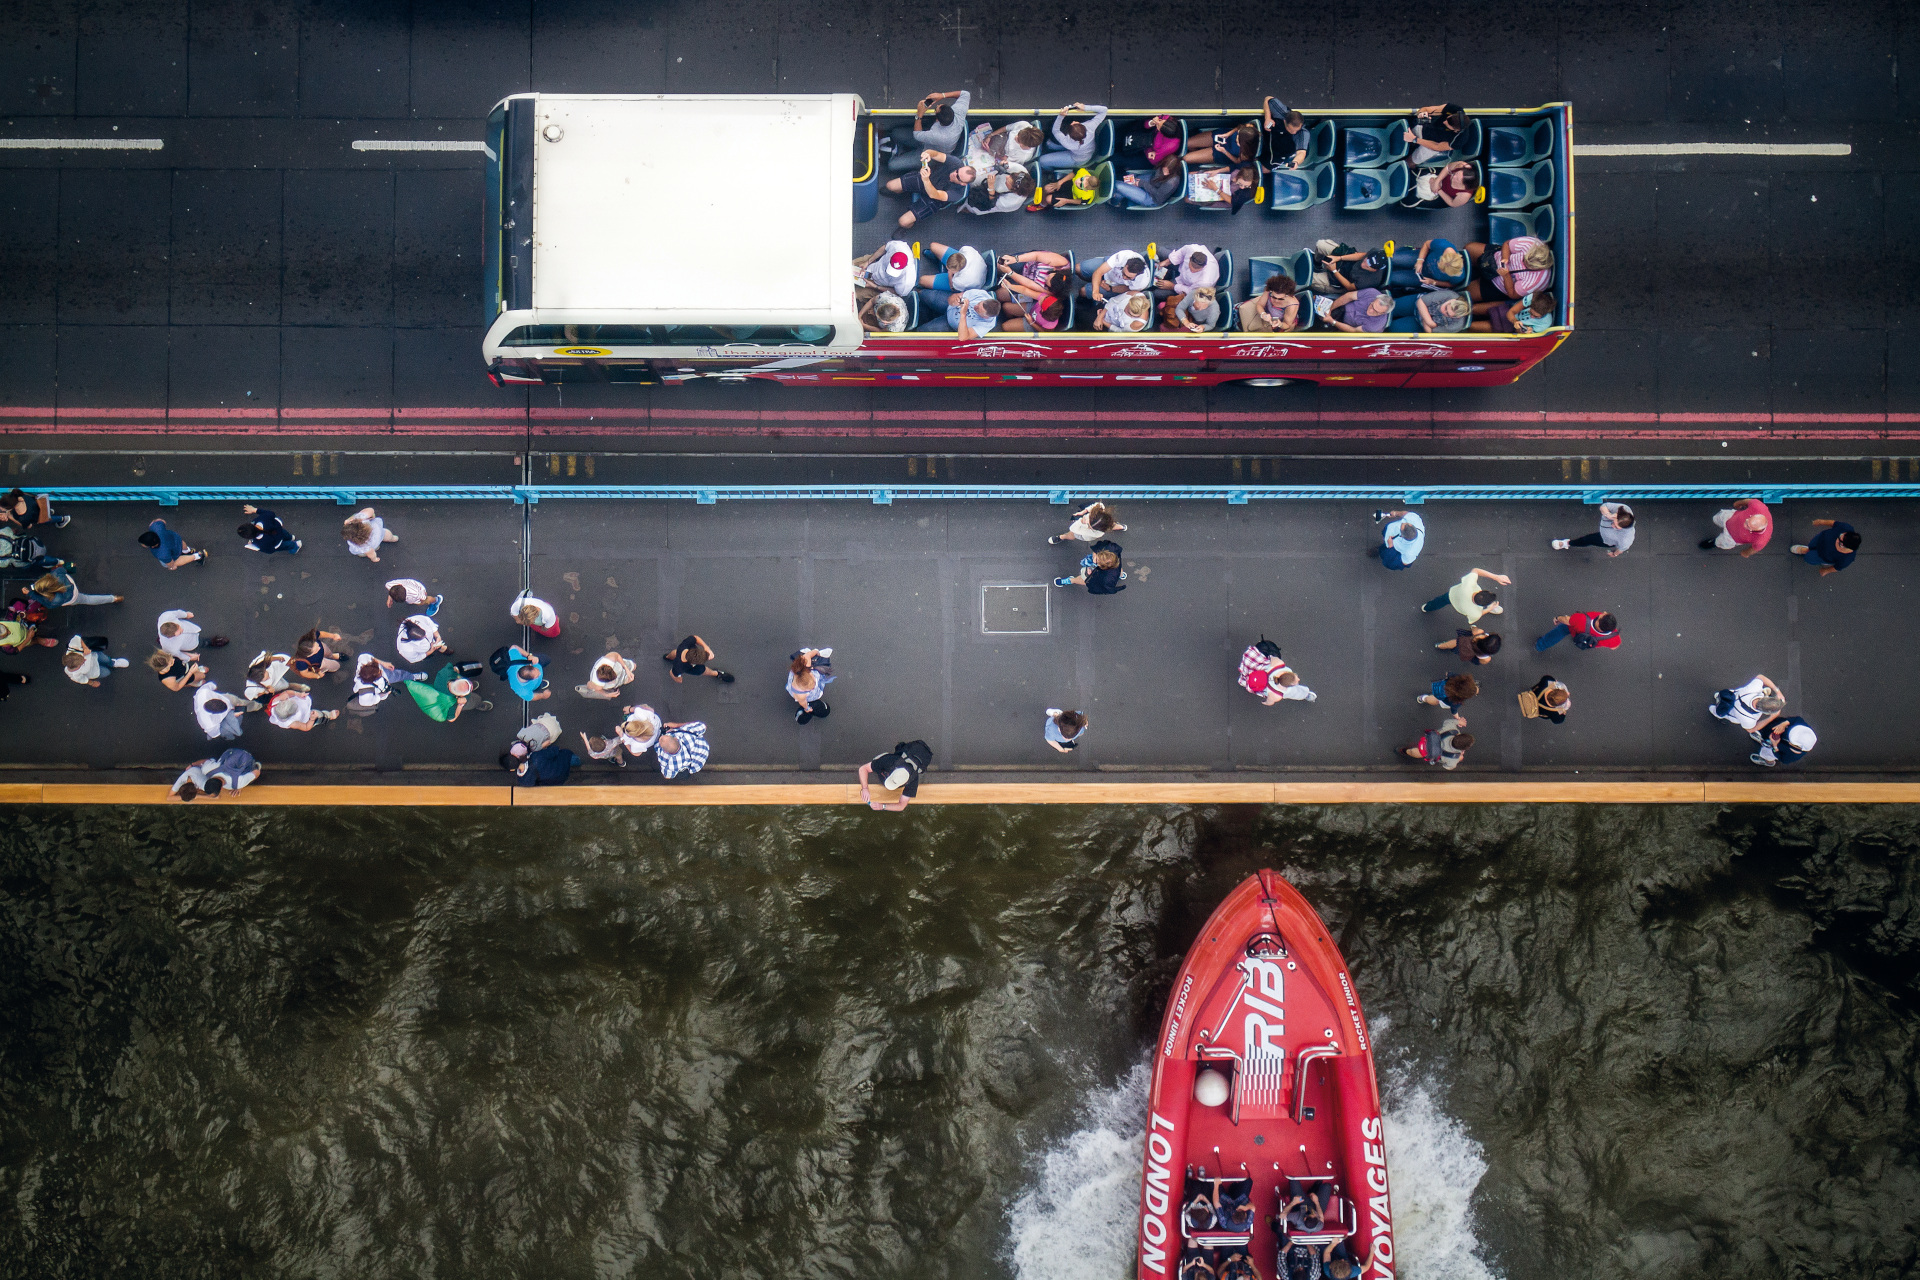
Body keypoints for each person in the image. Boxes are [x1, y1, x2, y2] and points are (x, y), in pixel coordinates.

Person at [882, 149, 976, 230]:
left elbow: (935, 195)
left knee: (903, 222)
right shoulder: (957, 163)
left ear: (963, 183)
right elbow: (937, 154)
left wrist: (926, 180)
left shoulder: (958, 193)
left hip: (934, 199)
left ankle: (907, 227)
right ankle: (903, 191)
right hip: (928, 178)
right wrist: (928, 153)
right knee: (890, 186)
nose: (954, 174)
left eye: (958, 177)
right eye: (957, 171)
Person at [887, 89, 969, 173]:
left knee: (892, 165)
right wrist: (942, 95)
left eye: (936, 109)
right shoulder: (958, 112)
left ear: (938, 120)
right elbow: (965, 94)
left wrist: (919, 114)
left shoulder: (939, 135)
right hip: (929, 140)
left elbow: (917, 135)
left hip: (929, 154)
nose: (938, 104)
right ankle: (902, 151)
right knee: (895, 133)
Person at [996, 251, 1072, 332]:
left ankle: (1015, 322)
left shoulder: (1049, 324)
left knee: (1005, 326)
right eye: (1049, 276)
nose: (1039, 298)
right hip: (1032, 310)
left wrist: (1032, 323)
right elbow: (1026, 290)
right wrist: (1010, 286)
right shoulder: (1045, 297)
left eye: (1041, 302)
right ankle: (1014, 318)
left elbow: (1045, 332)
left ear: (1042, 310)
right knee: (1005, 306)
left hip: (1034, 322)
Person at [1464, 237, 1553, 303]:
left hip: (1497, 285)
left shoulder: (1536, 282)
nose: (1524, 262)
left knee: (1465, 293)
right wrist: (1505, 259)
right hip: (1493, 258)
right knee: (1468, 248)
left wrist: (1506, 275)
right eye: (1524, 259)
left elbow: (1512, 294)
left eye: (1528, 265)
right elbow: (1507, 244)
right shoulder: (1532, 244)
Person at [859, 739, 932, 811]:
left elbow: (902, 805)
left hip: (916, 758)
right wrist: (865, 788)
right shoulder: (890, 761)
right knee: (877, 760)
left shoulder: (913, 780)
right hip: (897, 758)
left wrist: (883, 806)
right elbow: (863, 769)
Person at [1238, 640, 1316, 704]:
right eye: (1296, 680)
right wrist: (1265, 703)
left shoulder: (1279, 664)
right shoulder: (1277, 695)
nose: (1299, 679)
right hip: (1265, 676)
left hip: (1260, 671)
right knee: (1295, 693)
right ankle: (1305, 695)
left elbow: (1272, 657)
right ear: (1289, 685)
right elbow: (1269, 702)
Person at [1422, 567, 1509, 624]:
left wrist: (1496, 577)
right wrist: (1489, 609)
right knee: (1487, 604)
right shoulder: (1475, 613)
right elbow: (1479, 614)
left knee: (1439, 601)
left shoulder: (1468, 585)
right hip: (1461, 605)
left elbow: (1476, 570)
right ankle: (1491, 607)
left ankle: (1427, 608)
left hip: (1452, 595)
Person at [405, 664, 488, 722]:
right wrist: (460, 705)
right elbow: (451, 719)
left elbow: (450, 668)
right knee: (474, 701)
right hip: (459, 702)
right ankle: (478, 704)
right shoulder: (452, 704)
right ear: (459, 696)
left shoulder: (442, 677)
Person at [1038, 102, 1108, 170]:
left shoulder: (1068, 144)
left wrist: (1061, 116)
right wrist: (1085, 107)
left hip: (1076, 158)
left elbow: (1055, 131)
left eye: (1073, 124)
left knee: (1042, 161)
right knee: (1049, 144)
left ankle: (1050, 172)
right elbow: (1104, 110)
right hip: (1080, 151)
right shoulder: (1090, 127)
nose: (1073, 122)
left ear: (1069, 134)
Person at [25, 561, 122, 609]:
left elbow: (48, 605)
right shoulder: (56, 574)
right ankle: (114, 598)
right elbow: (63, 569)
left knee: (88, 599)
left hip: (72, 598)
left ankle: (113, 599)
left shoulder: (55, 599)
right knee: (87, 598)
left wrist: (31, 593)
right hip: (71, 585)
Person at [1710, 673, 1786, 734]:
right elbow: (1751, 729)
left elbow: (1761, 677)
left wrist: (1777, 691)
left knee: (1723, 696)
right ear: (1765, 712)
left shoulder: (1753, 689)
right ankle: (1715, 712)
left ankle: (1719, 697)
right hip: (1730, 713)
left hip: (1732, 695)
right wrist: (1771, 718)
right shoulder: (1749, 719)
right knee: (1716, 711)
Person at [1552, 502, 1635, 556]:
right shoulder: (1624, 509)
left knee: (1587, 540)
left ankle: (1567, 543)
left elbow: (1621, 549)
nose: (1612, 525)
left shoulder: (1626, 539)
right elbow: (1604, 506)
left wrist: (1614, 554)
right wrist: (1608, 514)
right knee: (1588, 539)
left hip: (1605, 539)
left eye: (1616, 527)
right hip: (1604, 529)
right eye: (1614, 522)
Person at [915, 286, 999, 338]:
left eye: (978, 310)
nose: (975, 307)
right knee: (927, 295)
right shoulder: (981, 295)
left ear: (985, 317)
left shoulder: (986, 325)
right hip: (950, 307)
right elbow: (954, 297)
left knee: (925, 331)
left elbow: (963, 337)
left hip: (950, 324)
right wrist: (954, 301)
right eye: (978, 304)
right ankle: (915, 293)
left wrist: (963, 314)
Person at [1077, 249, 1151, 304]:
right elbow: (1099, 272)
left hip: (1115, 285)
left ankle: (1093, 283)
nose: (1124, 277)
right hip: (1108, 270)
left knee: (1083, 291)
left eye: (1129, 278)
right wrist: (1095, 291)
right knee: (1077, 268)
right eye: (1124, 273)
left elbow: (1127, 288)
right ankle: (1090, 280)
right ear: (1126, 264)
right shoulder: (1124, 256)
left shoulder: (1142, 282)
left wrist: (1111, 289)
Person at [1701, 499, 1772, 556]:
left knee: (1720, 542)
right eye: (1747, 521)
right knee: (1716, 518)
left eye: (1748, 527)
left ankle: (1713, 543)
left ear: (1756, 530)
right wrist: (1738, 503)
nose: (1744, 524)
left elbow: (1755, 549)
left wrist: (1746, 553)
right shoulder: (1758, 507)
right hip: (1730, 517)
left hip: (1731, 538)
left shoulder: (1761, 540)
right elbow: (1748, 501)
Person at [1792, 518, 1861, 576]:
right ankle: (1807, 549)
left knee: (1808, 558)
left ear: (1845, 546)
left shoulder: (1847, 559)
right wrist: (1821, 522)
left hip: (1821, 556)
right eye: (1841, 534)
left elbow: (1837, 567)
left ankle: (1805, 551)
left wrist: (1826, 571)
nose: (1837, 538)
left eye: (1840, 540)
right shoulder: (1846, 528)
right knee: (1811, 545)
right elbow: (1834, 523)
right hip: (1819, 539)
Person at [1109, 155, 1183, 209]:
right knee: (1126, 181)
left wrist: (1142, 184)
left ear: (1173, 171)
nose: (1165, 172)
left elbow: (1158, 196)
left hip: (1152, 198)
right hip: (1151, 181)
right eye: (1164, 169)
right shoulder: (1164, 166)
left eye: (1167, 171)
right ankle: (1115, 200)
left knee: (1118, 185)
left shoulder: (1171, 182)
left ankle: (1115, 200)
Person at [351, 652, 421, 709]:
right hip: (381, 687)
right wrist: (383, 695)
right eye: (379, 673)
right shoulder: (365, 692)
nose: (381, 671)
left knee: (398, 675)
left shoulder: (363, 663)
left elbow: (366, 657)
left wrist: (383, 663)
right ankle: (390, 690)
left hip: (386, 678)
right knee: (395, 677)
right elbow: (365, 702)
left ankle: (412, 677)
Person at [1054, 540, 1126, 593]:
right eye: (1097, 557)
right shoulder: (1106, 548)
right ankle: (1121, 575)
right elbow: (1095, 551)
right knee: (1119, 570)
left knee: (1085, 580)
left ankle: (1071, 580)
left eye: (1097, 561)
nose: (1094, 560)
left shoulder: (1108, 576)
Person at [1238, 272, 1302, 332]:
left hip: (1280, 323)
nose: (1276, 300)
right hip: (1267, 313)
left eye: (1281, 299)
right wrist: (1263, 314)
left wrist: (1279, 324)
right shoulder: (1268, 289)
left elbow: (1287, 325)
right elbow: (1260, 304)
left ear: (1287, 295)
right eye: (1273, 297)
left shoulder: (1292, 305)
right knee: (1243, 309)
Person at [1404, 714, 1472, 769]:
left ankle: (1405, 750)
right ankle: (1405, 752)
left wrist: (1458, 722)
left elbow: (1447, 721)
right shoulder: (1453, 759)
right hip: (1427, 751)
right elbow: (1447, 767)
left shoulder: (1452, 730)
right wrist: (1458, 758)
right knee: (1416, 752)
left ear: (1458, 735)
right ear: (1463, 749)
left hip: (1429, 738)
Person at [1399, 238, 1470, 290]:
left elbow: (1452, 284)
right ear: (1442, 257)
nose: (1439, 269)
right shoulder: (1442, 245)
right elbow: (1426, 244)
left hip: (1425, 277)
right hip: (1422, 258)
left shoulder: (1458, 276)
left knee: (1394, 278)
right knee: (1393, 259)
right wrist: (1420, 261)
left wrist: (1433, 282)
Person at [854, 240, 919, 297]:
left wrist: (875, 286)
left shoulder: (907, 282)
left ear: (906, 266)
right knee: (846, 266)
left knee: (852, 294)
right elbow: (885, 247)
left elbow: (897, 293)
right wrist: (867, 262)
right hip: (873, 265)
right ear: (891, 257)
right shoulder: (898, 246)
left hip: (879, 286)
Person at [787, 647, 835, 724]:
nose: (814, 687)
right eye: (811, 688)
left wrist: (815, 651)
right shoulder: (800, 695)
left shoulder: (802, 669)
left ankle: (817, 655)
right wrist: (807, 708)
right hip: (809, 697)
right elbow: (803, 703)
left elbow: (808, 655)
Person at [1472, 289, 1555, 333]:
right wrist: (1515, 321)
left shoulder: (1545, 324)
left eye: (1536, 316)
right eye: (1531, 312)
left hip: (1508, 327)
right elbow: (1511, 312)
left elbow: (1519, 333)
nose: (1531, 316)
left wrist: (1522, 330)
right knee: (1473, 309)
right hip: (1507, 309)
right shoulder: (1533, 297)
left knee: (1472, 326)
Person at [662, 635, 734, 684]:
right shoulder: (680, 667)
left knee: (676, 653)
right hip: (685, 667)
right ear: (693, 663)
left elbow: (695, 638)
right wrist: (678, 679)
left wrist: (706, 647)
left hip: (679, 653)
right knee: (702, 670)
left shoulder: (685, 646)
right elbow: (673, 673)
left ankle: (668, 657)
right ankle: (716, 674)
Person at [1536, 610, 1621, 652]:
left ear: (1598, 623)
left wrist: (1557, 618)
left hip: (1573, 629)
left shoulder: (1580, 619)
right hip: (1586, 639)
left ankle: (1540, 645)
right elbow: (1614, 647)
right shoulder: (1614, 639)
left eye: (1604, 615)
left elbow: (1567, 620)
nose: (1604, 612)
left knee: (1560, 631)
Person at [1392, 289, 1471, 333]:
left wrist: (1424, 315)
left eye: (1448, 314)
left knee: (1393, 328)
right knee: (1392, 307)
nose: (1444, 311)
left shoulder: (1456, 325)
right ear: (1452, 300)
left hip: (1419, 323)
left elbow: (1430, 332)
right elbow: (1420, 302)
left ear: (1457, 317)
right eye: (1446, 307)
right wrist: (1429, 322)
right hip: (1415, 304)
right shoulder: (1450, 295)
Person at [138, 519, 207, 570]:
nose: (142, 544)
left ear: (152, 546)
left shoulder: (161, 553)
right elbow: (162, 521)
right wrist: (153, 523)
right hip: (175, 538)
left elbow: (170, 562)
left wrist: (171, 566)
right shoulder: (155, 527)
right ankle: (188, 550)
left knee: (176, 561)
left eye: (143, 544)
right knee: (182, 544)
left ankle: (198, 555)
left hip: (173, 552)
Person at [1186, 121, 1259, 168]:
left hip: (1220, 153)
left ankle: (1197, 156)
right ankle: (1197, 152)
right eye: (1237, 136)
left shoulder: (1247, 153)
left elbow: (1237, 161)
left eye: (1238, 142)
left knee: (1186, 159)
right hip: (1221, 136)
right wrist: (1227, 134)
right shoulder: (1250, 128)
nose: (1236, 140)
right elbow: (1239, 127)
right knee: (1187, 144)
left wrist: (1224, 151)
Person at [1049, 501, 1127, 545]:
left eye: (1089, 524)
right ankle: (1121, 527)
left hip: (1083, 535)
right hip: (1106, 524)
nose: (1086, 518)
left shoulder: (1095, 533)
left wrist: (1081, 522)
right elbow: (1098, 505)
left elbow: (1073, 529)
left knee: (1071, 535)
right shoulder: (1103, 519)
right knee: (1111, 525)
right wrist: (1085, 511)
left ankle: (1062, 537)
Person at [62, 634, 127, 686]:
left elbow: (78, 638)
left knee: (106, 659)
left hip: (95, 656)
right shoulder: (75, 675)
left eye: (81, 657)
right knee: (107, 672)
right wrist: (92, 683)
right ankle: (111, 664)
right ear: (76, 667)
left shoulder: (72, 648)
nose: (84, 660)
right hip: (95, 671)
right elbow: (83, 680)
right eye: (82, 663)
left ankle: (113, 663)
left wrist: (85, 648)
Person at [157, 609, 222, 659]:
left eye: (179, 627)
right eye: (180, 632)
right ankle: (211, 642)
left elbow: (177, 613)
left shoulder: (166, 616)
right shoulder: (171, 648)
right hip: (191, 643)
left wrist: (186, 615)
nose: (182, 629)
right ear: (171, 637)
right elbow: (180, 655)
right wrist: (190, 656)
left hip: (191, 630)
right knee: (202, 642)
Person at [1752, 717, 1817, 767]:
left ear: (1795, 746)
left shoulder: (1792, 756)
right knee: (1767, 734)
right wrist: (1784, 724)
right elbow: (1797, 719)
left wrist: (1775, 746)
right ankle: (1763, 740)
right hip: (1777, 736)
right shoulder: (1803, 728)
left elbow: (1782, 758)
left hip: (1776, 749)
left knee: (1767, 753)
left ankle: (1768, 762)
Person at [1263, 97, 1309, 168]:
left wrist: (1295, 162)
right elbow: (1268, 99)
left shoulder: (1302, 133)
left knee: (1265, 169)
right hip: (1271, 136)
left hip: (1283, 150)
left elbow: (1301, 152)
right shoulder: (1281, 112)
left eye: (1296, 130)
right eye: (1290, 129)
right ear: (1285, 121)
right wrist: (1267, 118)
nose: (1294, 132)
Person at [1321, 288, 1393, 333]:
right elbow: (1348, 296)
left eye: (1376, 311)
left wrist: (1332, 321)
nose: (1371, 311)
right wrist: (1329, 309)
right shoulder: (1372, 292)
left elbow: (1353, 330)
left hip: (1343, 323)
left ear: (1383, 313)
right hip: (1342, 306)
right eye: (1372, 305)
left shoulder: (1375, 325)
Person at [1409, 159, 1476, 207]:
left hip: (1441, 195)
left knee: (1412, 196)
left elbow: (1452, 203)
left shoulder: (1465, 195)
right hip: (1439, 177)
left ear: (1464, 184)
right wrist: (1437, 181)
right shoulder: (1462, 165)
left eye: (1457, 179)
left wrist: (1438, 189)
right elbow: (1447, 168)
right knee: (1411, 177)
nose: (1453, 176)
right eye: (1456, 173)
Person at [268, 688, 338, 731]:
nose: (287, 698)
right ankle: (327, 716)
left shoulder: (276, 701)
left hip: (302, 708)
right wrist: (312, 719)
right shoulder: (291, 723)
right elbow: (306, 727)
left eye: (287, 699)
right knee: (317, 715)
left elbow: (286, 693)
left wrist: (297, 694)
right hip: (307, 717)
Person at [2, 488, 69, 533]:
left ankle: (63, 519)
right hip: (38, 506)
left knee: (47, 520)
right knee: (45, 512)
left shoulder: (22, 516)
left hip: (37, 517)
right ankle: (49, 512)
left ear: (10, 507)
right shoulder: (20, 496)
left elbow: (29, 526)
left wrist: (10, 517)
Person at [513, 745, 581, 786]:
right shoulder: (536, 757)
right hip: (563, 763)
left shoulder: (523, 781)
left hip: (559, 779)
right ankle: (580, 762)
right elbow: (554, 751)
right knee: (571, 758)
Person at [1436, 625, 1502, 666]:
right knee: (1457, 648)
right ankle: (1441, 646)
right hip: (1467, 652)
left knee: (1452, 643)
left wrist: (1473, 627)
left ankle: (1440, 645)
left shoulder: (1479, 634)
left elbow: (1474, 630)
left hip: (1464, 641)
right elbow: (1482, 661)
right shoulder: (1485, 656)